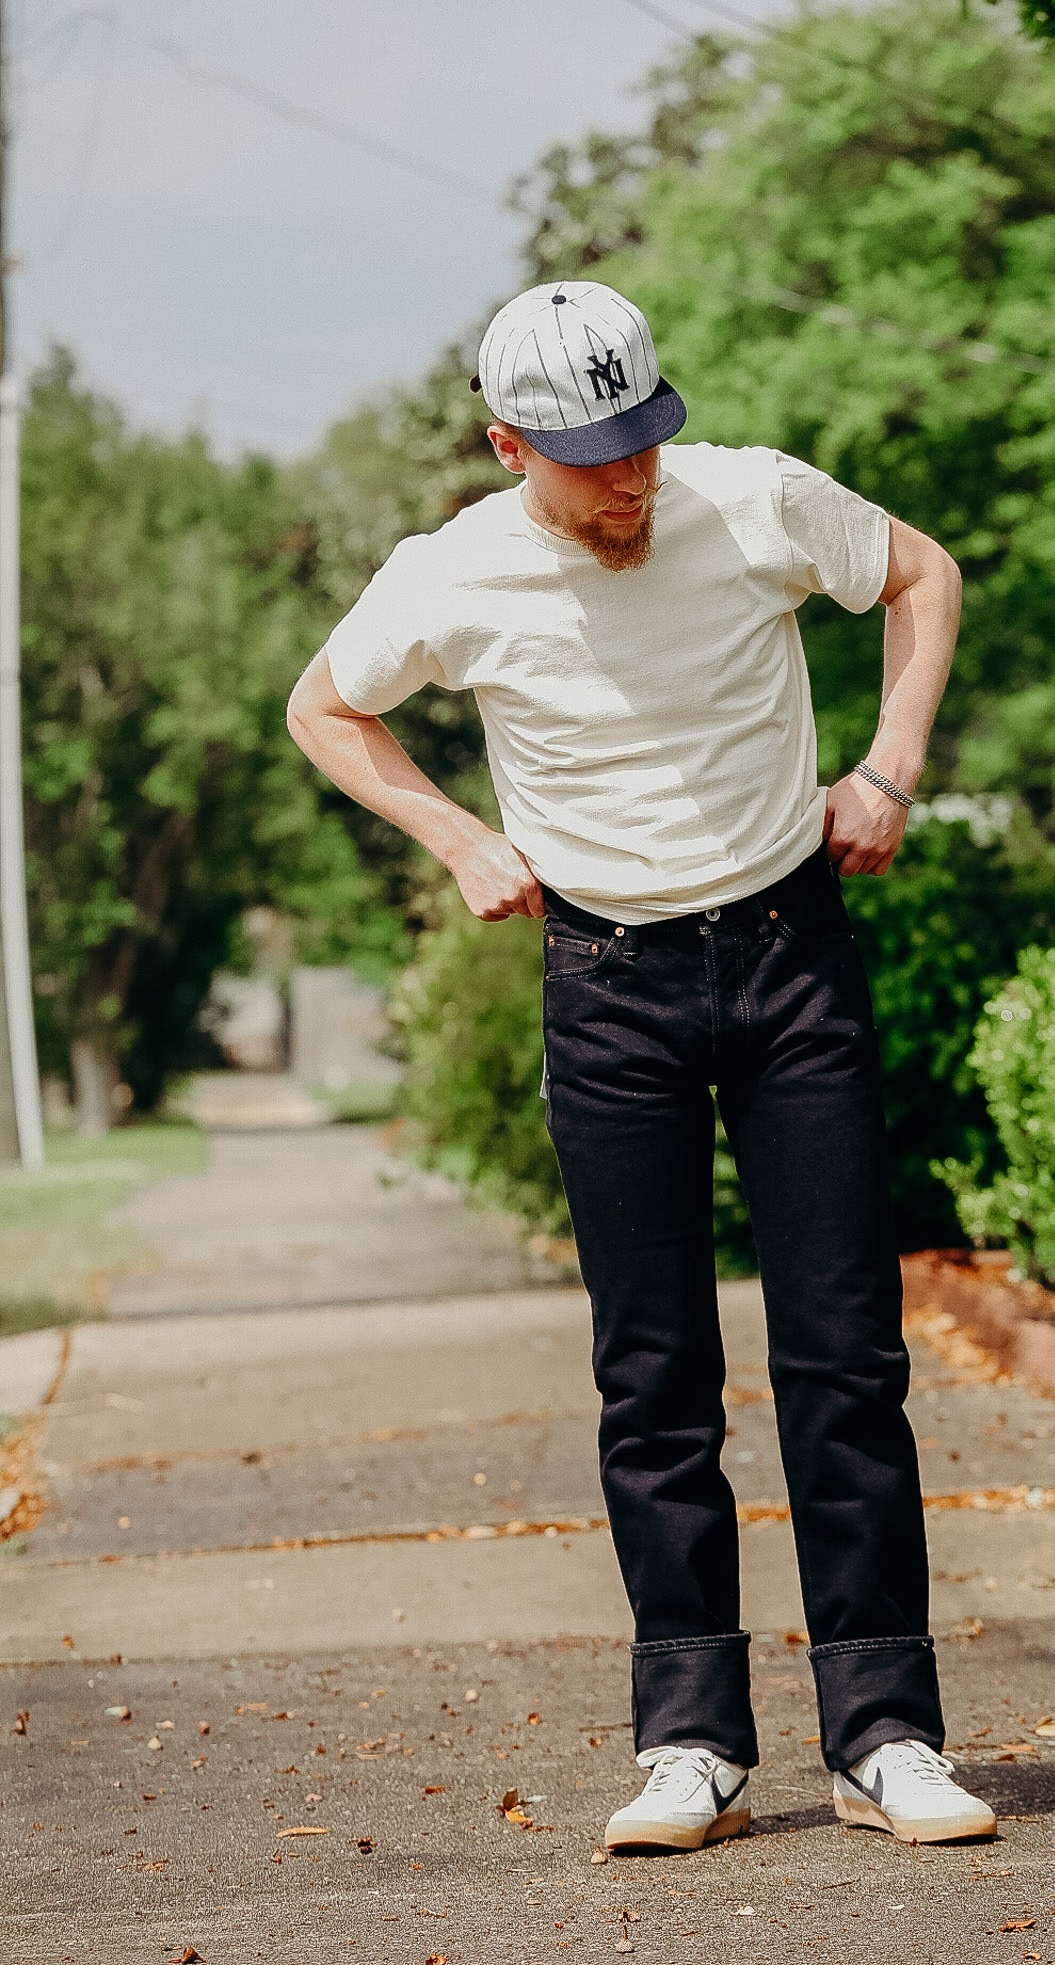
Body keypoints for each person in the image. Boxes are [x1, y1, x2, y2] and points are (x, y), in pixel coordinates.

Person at [287, 281, 996, 1853]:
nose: (628, 482)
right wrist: (457, 833)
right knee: (653, 1377)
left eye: (641, 444)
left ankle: (887, 1736)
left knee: (842, 1358)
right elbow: (324, 709)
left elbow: (922, 576)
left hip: (790, 952)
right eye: (590, 457)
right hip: (607, 982)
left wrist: (888, 766)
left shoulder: (751, 498)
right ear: (505, 442)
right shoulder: (453, 572)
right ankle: (691, 1745)